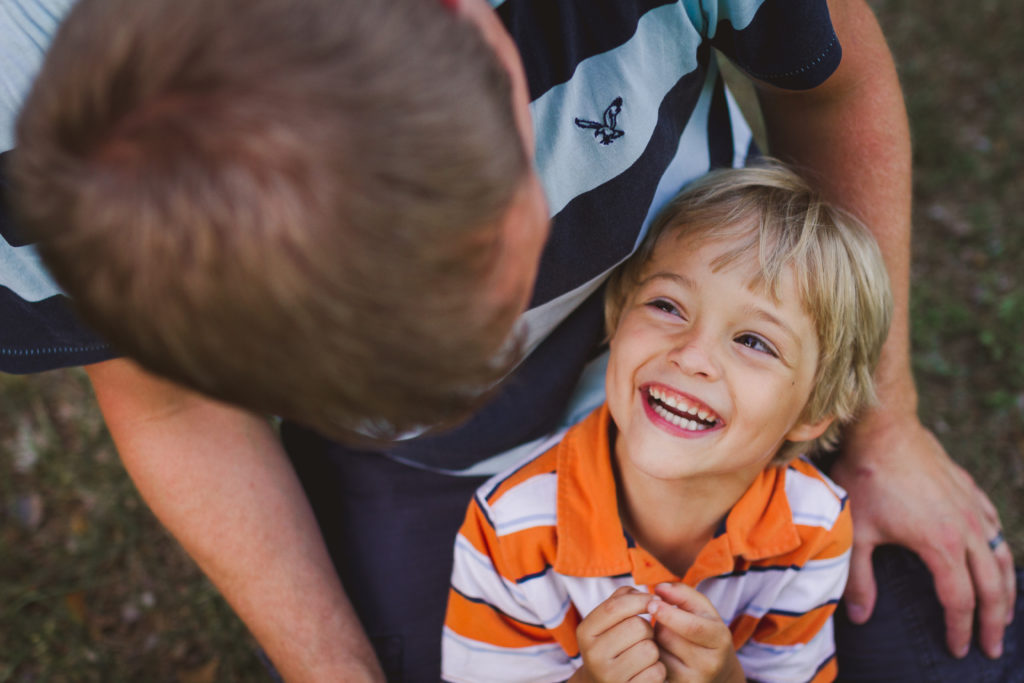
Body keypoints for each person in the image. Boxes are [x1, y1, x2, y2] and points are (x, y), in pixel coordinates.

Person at [0, 0, 1016, 680]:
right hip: (422, 487)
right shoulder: (31, 115)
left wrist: (885, 421)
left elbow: (830, 81)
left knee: (964, 643)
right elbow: (171, 399)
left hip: (759, 364)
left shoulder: (783, 474)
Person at [443, 162, 892, 683]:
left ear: (813, 411)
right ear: (618, 315)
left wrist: (727, 679)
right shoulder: (509, 529)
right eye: (668, 305)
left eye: (753, 341)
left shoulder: (813, 526)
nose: (692, 355)